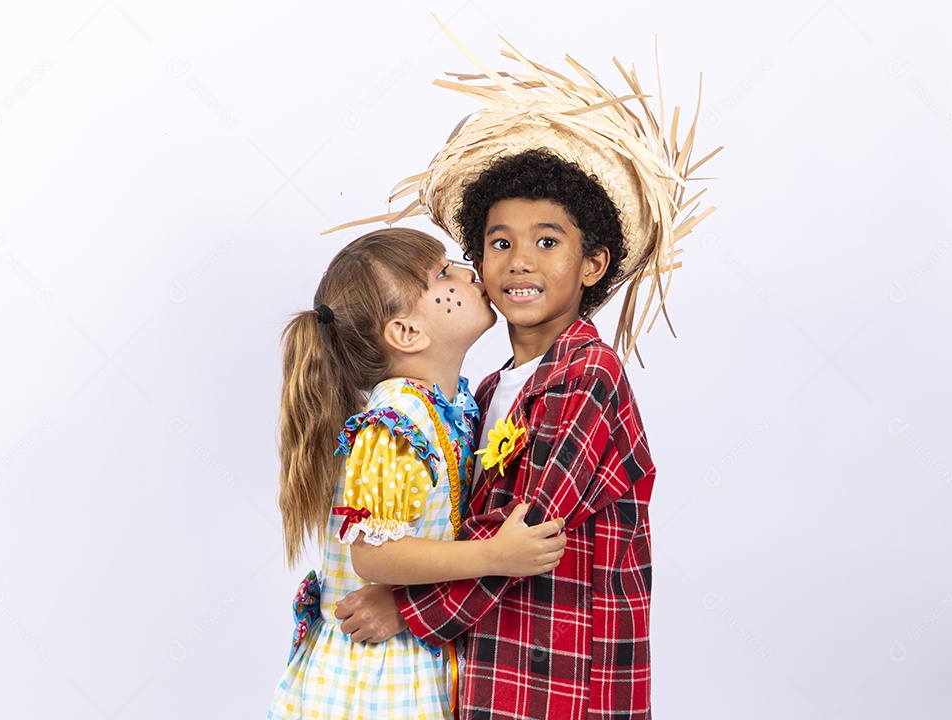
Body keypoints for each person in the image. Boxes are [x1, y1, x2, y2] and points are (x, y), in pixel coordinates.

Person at [330, 33, 718, 720]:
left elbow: (527, 533)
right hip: (492, 669)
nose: (519, 260)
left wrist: (406, 608)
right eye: (499, 242)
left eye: (548, 241)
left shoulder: (586, 377)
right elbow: (471, 532)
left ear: (592, 264)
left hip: (567, 674)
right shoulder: (482, 393)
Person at [268, 227, 567, 720]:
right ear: (407, 332)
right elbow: (374, 554)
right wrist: (495, 555)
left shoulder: (449, 406)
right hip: (375, 679)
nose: (469, 272)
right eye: (444, 274)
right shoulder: (395, 425)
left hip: (415, 655)